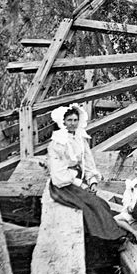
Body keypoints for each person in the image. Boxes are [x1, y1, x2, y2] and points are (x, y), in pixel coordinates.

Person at [48, 103, 125, 242]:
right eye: (69, 120)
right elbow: (58, 174)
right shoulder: (57, 143)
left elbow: (87, 162)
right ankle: (111, 238)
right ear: (62, 122)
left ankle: (109, 236)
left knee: (102, 204)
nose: (72, 124)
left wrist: (92, 181)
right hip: (63, 184)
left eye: (75, 120)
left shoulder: (79, 138)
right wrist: (80, 184)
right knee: (91, 206)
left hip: (78, 179)